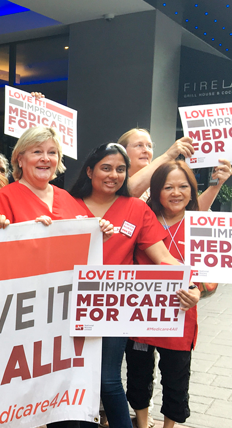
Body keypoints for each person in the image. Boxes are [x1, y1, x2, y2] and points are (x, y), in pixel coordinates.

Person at [68, 143, 200, 428]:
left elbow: (162, 256)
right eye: (106, 168)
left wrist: (192, 283)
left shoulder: (136, 208)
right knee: (75, 377)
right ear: (89, 171)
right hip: (69, 308)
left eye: (120, 169)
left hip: (115, 309)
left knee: (108, 380)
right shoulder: (65, 203)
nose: (113, 175)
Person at [125, 161, 213, 428]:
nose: (176, 193)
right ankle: (142, 422)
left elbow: (211, 279)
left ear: (192, 191)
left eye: (183, 186)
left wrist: (198, 291)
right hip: (141, 315)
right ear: (156, 190)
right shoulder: (143, 217)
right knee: (138, 374)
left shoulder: (203, 225)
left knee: (176, 379)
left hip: (181, 317)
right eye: (168, 187)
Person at [0, 126, 89, 224]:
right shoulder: (3, 198)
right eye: (37, 152)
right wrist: (33, 231)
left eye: (52, 152)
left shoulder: (67, 198)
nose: (46, 159)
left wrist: (101, 232)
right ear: (20, 160)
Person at [118, 128, 232, 209]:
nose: (146, 150)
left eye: (149, 146)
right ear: (123, 152)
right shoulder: (114, 182)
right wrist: (168, 155)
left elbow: (193, 213)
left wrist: (216, 186)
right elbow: (129, 191)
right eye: (139, 145)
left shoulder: (161, 182)